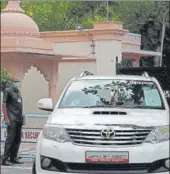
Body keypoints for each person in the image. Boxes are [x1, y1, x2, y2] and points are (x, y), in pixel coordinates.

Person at [1, 77, 24, 166]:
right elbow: (4, 104)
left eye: (18, 81)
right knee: (10, 139)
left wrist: (22, 117)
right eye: (16, 81)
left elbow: (20, 105)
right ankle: (4, 159)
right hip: (12, 118)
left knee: (17, 139)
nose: (17, 83)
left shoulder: (18, 92)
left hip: (19, 118)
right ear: (12, 82)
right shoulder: (8, 91)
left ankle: (13, 157)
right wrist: (6, 118)